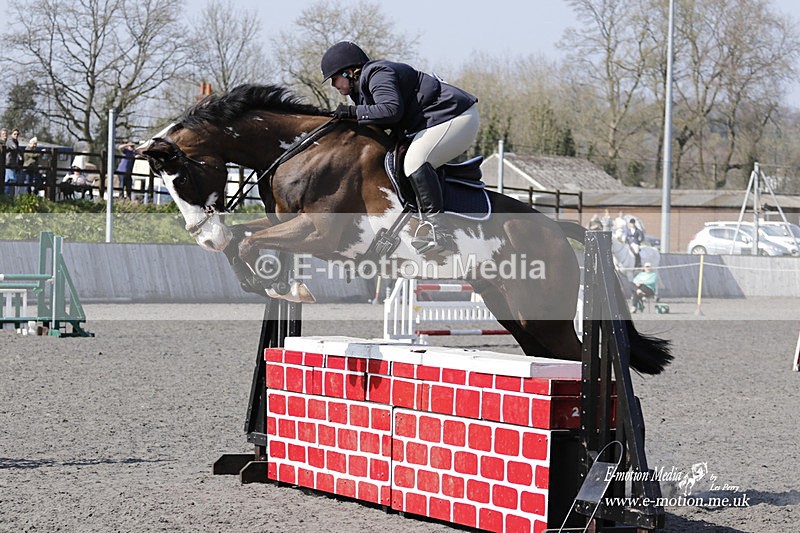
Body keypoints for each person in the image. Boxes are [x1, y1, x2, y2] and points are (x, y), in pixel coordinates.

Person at [320, 41, 479, 253]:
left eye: (334, 78)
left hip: (456, 116)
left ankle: (440, 232)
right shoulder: (360, 91)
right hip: (430, 123)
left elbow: (391, 110)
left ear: (349, 72)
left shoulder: (377, 73)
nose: (333, 85)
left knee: (415, 161)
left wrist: (352, 113)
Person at [4, 128, 23, 195]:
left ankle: (7, 197)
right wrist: (20, 151)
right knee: (11, 180)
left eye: (17, 134)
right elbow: (14, 147)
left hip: (13, 163)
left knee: (8, 180)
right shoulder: (10, 140)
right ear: (11, 134)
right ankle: (8, 197)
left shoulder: (16, 141)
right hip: (9, 163)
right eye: (14, 134)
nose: (16, 135)